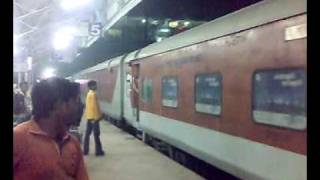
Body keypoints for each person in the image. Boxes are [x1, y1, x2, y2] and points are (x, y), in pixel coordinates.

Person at [14, 77, 89, 180]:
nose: (80, 106)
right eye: (76, 101)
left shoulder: (73, 143)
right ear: (60, 104)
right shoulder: (18, 138)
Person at [83, 80, 105, 156]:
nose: (96, 86)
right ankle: (98, 151)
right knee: (96, 135)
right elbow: (94, 107)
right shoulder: (93, 94)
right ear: (91, 86)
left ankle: (85, 150)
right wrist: (97, 117)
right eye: (95, 85)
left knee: (87, 134)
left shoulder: (89, 94)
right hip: (94, 118)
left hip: (89, 117)